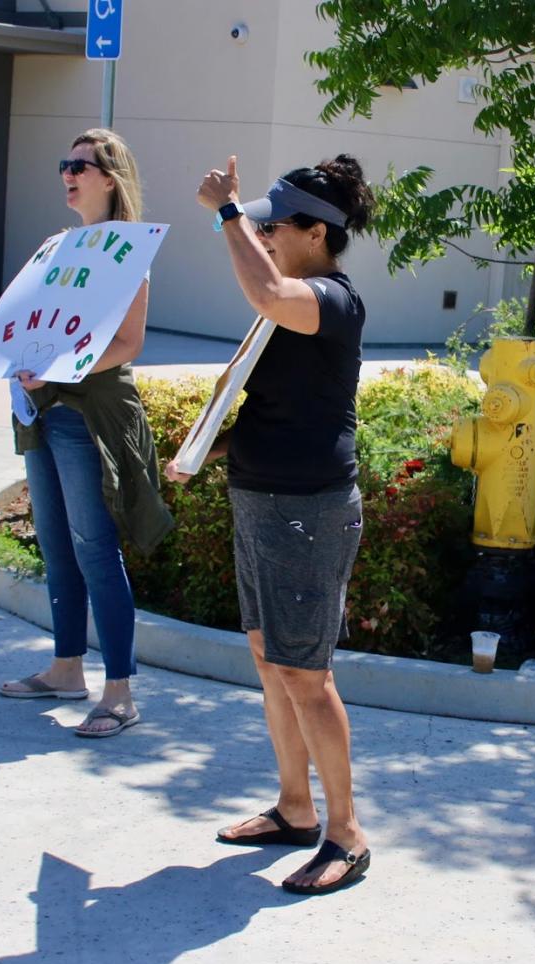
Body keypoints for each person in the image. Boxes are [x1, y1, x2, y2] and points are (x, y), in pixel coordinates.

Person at [169, 153, 375, 896]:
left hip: (306, 511)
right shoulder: (284, 305)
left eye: (271, 225)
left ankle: (345, 834)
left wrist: (225, 213)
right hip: (259, 498)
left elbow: (263, 284)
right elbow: (271, 406)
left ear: (315, 233)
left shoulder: (331, 300)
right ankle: (294, 807)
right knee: (269, 660)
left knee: (306, 675)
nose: (260, 234)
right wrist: (204, 446)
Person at [0, 129, 172, 738]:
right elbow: (21, 324)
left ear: (109, 177)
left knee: (94, 548)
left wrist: (58, 372)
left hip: (87, 414)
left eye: (79, 165)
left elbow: (128, 344)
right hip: (39, 410)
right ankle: (67, 668)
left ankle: (119, 692)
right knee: (57, 545)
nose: (67, 173)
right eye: (64, 163)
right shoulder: (57, 246)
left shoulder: (127, 251)